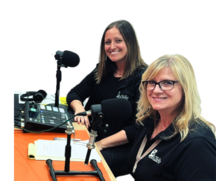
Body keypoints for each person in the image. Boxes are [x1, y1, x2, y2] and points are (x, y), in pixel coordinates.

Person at [96, 54, 216, 181]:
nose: (156, 90)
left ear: (185, 88)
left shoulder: (197, 143)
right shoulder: (148, 122)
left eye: (167, 83)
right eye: (151, 82)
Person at [66, 20, 148, 177]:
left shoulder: (144, 78)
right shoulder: (103, 69)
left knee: (83, 165)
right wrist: (80, 110)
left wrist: (99, 144)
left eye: (118, 41)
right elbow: (75, 93)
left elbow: (137, 128)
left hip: (119, 146)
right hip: (90, 136)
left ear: (130, 43)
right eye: (107, 42)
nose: (112, 47)